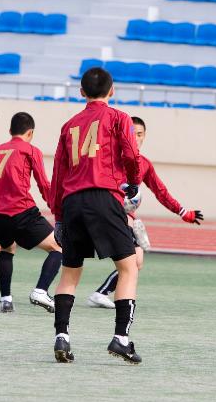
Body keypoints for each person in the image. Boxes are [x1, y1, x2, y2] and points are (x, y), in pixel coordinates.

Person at [48, 66, 144, 364]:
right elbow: (131, 155)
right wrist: (133, 181)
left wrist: (59, 215)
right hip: (104, 197)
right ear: (112, 90)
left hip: (73, 200)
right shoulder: (118, 118)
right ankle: (121, 339)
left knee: (70, 273)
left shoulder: (69, 125)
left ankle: (61, 336)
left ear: (81, 92)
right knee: (129, 268)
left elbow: (58, 174)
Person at [87, 115, 203, 309]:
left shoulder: (145, 164)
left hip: (125, 215)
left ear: (144, 136)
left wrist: (183, 212)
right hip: (107, 212)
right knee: (127, 261)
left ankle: (101, 293)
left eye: (139, 134)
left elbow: (160, 191)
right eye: (132, 133)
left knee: (137, 262)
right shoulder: (109, 159)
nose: (136, 138)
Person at [0, 111, 62, 313]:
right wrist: (55, 207)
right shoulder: (30, 150)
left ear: (10, 131)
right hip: (22, 211)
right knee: (58, 248)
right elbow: (43, 184)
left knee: (7, 248)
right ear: (30, 133)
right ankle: (40, 290)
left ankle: (6, 300)